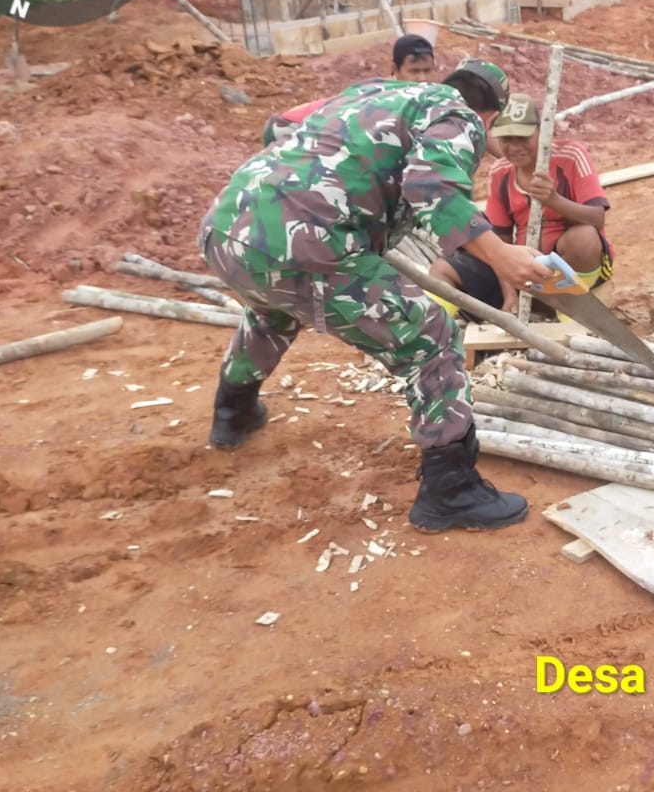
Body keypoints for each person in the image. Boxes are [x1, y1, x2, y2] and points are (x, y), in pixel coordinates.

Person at [197, 58, 553, 532]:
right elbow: (433, 189)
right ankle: (451, 490)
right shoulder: (460, 116)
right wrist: (501, 256)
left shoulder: (371, 93)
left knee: (274, 309)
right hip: (309, 246)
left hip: (228, 227)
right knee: (431, 336)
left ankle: (233, 412)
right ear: (492, 116)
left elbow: (278, 125)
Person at [428, 93, 615, 317]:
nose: (515, 147)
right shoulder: (500, 173)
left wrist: (554, 200)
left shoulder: (572, 157)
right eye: (507, 139)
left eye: (522, 138)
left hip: (569, 268)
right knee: (443, 270)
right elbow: (501, 243)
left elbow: (597, 219)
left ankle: (570, 313)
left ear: (542, 133)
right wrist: (510, 295)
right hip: (523, 271)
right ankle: (435, 333)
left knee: (583, 238)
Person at [260, 32, 439, 145]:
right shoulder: (385, 97)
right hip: (291, 127)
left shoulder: (417, 97)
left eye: (427, 71)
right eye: (414, 71)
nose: (421, 79)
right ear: (394, 69)